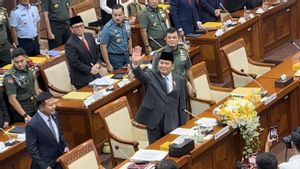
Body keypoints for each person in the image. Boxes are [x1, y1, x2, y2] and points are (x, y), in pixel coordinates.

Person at [131, 46, 187, 143]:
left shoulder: (180, 80)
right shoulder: (150, 75)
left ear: (173, 66)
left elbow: (182, 104)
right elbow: (140, 75)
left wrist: (183, 124)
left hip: (172, 121)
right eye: (161, 63)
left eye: (166, 63)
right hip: (154, 121)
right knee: (155, 149)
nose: (163, 66)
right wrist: (135, 64)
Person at [26, 92, 69, 169]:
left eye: (54, 104)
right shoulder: (32, 125)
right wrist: (44, 166)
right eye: (50, 105)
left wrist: (65, 145)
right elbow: (32, 150)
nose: (54, 107)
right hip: (46, 164)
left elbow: (60, 134)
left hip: (59, 161)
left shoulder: (55, 115)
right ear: (41, 107)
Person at [152, 28, 197, 97]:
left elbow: (188, 70)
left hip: (183, 87)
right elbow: (154, 74)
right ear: (165, 39)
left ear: (179, 39)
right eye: (169, 37)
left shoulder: (184, 52)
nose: (172, 40)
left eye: (174, 37)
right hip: (167, 89)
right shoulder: (159, 54)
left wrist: (193, 86)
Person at [65, 15, 103, 89]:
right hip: (82, 79)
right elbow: (74, 62)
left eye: (81, 26)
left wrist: (98, 63)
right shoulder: (70, 43)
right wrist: (90, 70)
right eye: (76, 27)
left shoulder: (89, 36)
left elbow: (97, 52)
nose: (79, 29)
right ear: (71, 29)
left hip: (95, 73)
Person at [3, 48, 39, 123]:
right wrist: (25, 115)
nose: (19, 64)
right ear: (12, 61)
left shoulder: (29, 67)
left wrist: (39, 101)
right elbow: (12, 100)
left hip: (35, 106)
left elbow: (34, 81)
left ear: (26, 58)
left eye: (21, 61)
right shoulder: (10, 77)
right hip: (23, 112)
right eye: (16, 62)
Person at [100, 4, 132, 73]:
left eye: (120, 15)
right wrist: (108, 64)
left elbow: (129, 39)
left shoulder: (126, 23)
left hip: (127, 55)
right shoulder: (107, 28)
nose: (117, 17)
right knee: (121, 79)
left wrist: (131, 54)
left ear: (124, 14)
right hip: (115, 58)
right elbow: (103, 47)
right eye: (115, 15)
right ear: (112, 15)